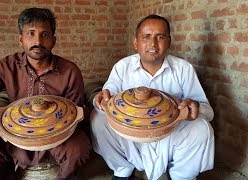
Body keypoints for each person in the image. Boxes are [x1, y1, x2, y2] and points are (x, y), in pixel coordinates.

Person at [0, 8, 91, 180]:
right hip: (14, 136)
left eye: (44, 34)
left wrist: (45, 132)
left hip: (55, 139)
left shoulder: (70, 71)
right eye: (30, 34)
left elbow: (73, 121)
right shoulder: (7, 66)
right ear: (21, 39)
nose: (37, 41)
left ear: (53, 40)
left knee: (80, 147)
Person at [90, 14, 214, 180]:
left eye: (160, 37)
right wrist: (99, 99)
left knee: (202, 127)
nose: (153, 44)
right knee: (98, 118)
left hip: (169, 136)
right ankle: (122, 170)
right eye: (146, 37)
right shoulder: (122, 67)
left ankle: (181, 176)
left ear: (169, 41)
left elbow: (208, 110)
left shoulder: (183, 69)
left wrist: (195, 107)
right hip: (131, 137)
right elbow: (106, 97)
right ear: (136, 42)